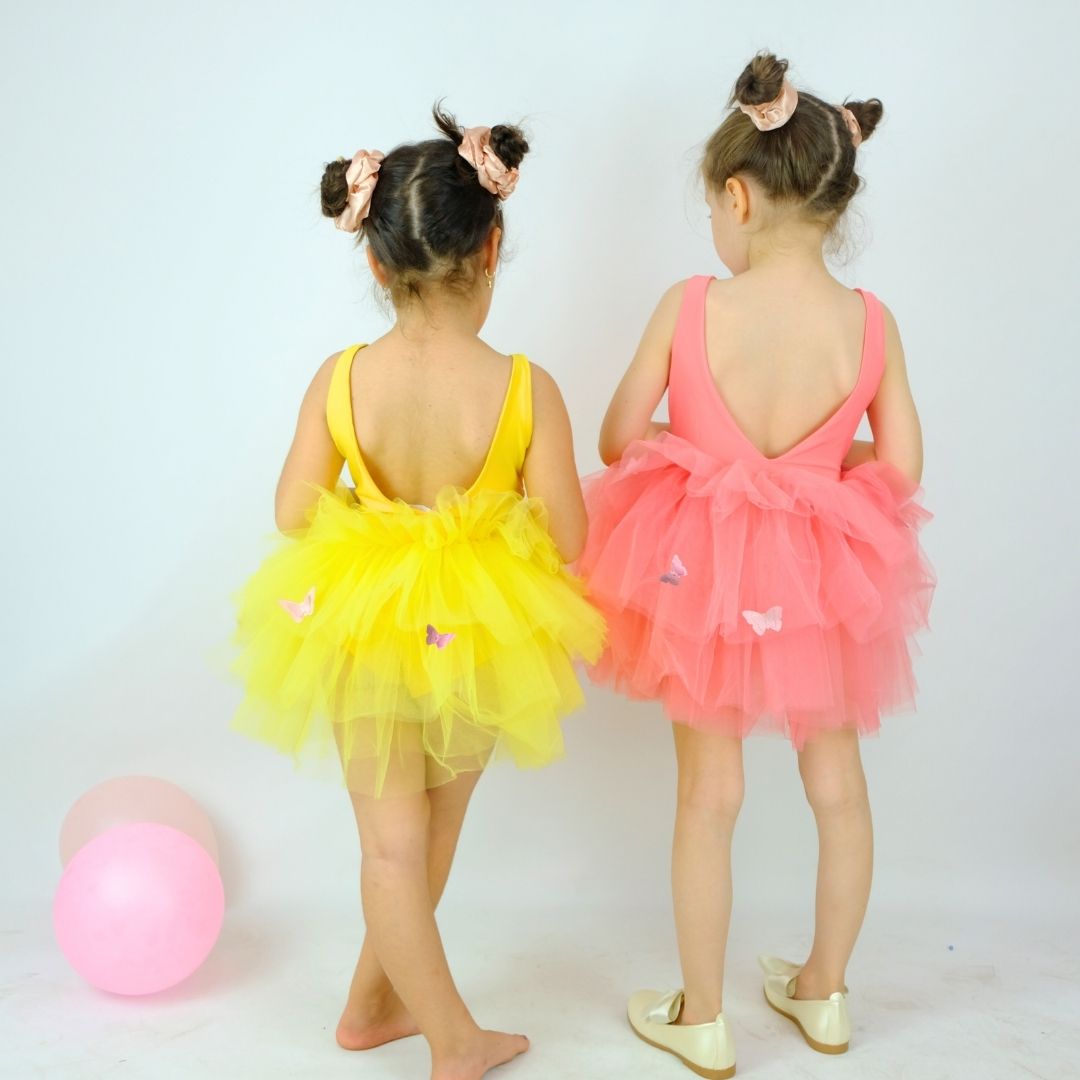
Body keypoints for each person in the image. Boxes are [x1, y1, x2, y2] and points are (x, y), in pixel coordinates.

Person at [579, 52, 935, 1078]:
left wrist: (708, 447)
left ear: (737, 196)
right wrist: (825, 462)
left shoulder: (693, 306)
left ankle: (702, 1014)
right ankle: (824, 993)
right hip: (825, 579)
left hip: (699, 576)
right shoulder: (871, 324)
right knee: (839, 785)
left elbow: (616, 436)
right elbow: (903, 466)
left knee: (709, 794)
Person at [232, 105, 604, 1080]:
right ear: (492, 250)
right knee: (435, 830)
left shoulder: (342, 376)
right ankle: (453, 1038)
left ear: (373, 263)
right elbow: (569, 535)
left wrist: (377, 517)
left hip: (362, 621)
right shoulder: (527, 387)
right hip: (473, 630)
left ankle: (367, 1006)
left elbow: (291, 510)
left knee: (390, 846)